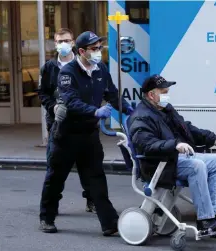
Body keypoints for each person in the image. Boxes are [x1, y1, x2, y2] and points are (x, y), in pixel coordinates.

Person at [38, 31, 133, 235]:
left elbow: (112, 94)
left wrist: (131, 111)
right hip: (66, 135)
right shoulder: (68, 73)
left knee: (96, 178)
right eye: (94, 48)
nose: (98, 51)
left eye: (100, 47)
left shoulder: (101, 69)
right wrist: (95, 110)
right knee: (55, 178)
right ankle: (46, 217)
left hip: (89, 134)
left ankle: (109, 223)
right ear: (81, 51)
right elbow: (71, 101)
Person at [128, 74, 216, 235]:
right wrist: (175, 145)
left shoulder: (166, 109)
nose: (167, 95)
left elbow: (186, 128)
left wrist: (212, 138)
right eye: (164, 91)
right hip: (159, 163)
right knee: (197, 165)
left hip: (174, 158)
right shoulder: (141, 116)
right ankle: (205, 221)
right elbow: (147, 145)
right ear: (151, 95)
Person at [37, 28, 95, 215]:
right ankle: (50, 209)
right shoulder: (49, 67)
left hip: (82, 123)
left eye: (67, 40)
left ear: (73, 43)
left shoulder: (83, 65)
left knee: (88, 167)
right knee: (55, 169)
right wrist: (53, 107)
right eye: (59, 41)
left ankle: (91, 200)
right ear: (55, 44)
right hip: (58, 124)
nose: (63, 44)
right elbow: (43, 92)